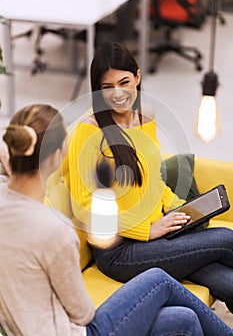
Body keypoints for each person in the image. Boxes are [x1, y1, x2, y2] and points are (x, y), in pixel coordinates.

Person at [0, 105, 232, 336]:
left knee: (184, 319)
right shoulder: (54, 231)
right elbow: (82, 313)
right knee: (159, 279)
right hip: (78, 332)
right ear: (58, 155)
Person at [66, 41, 233, 314]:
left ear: (138, 77)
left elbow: (152, 178)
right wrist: (146, 230)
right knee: (226, 239)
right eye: (107, 87)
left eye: (124, 82)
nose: (118, 94)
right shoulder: (88, 133)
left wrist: (178, 207)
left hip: (158, 235)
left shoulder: (145, 116)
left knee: (221, 277)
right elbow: (86, 210)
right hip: (119, 251)